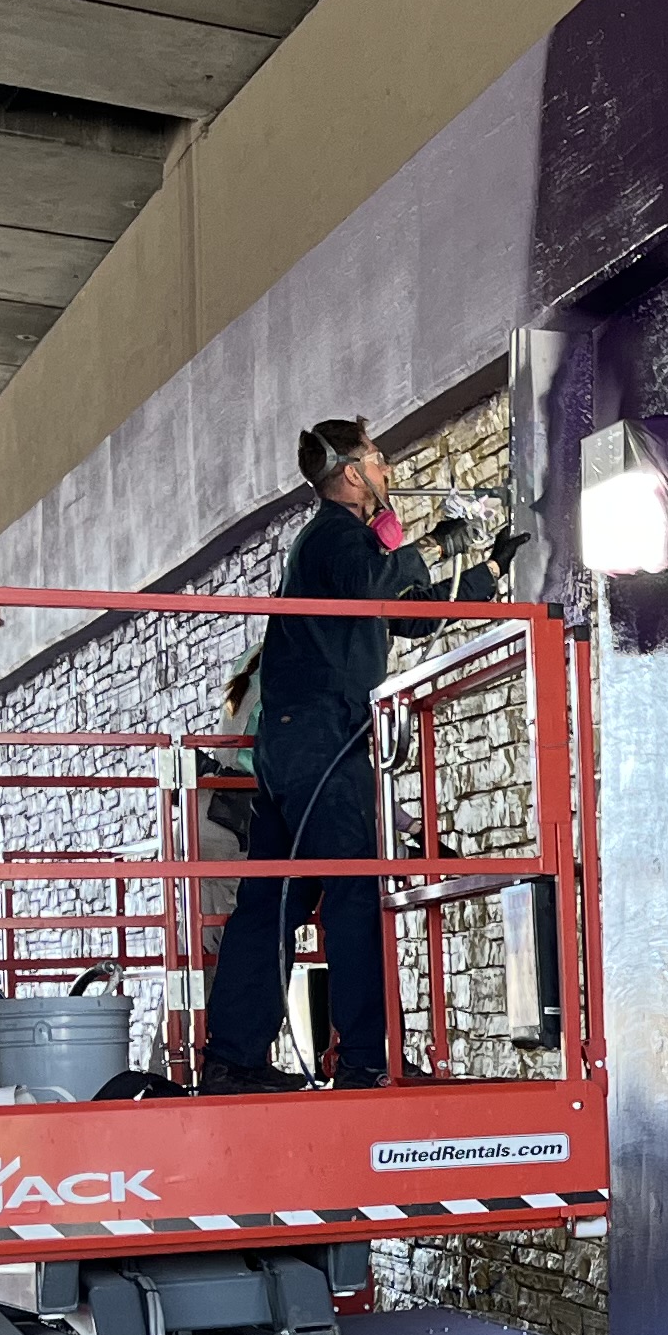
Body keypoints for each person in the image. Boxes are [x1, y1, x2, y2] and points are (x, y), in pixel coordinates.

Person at [198, 422, 465, 1092]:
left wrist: (481, 574)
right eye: (378, 460)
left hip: (295, 744)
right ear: (351, 472)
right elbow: (377, 587)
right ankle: (363, 1064)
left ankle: (234, 1058)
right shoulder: (336, 537)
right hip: (325, 739)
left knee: (274, 899)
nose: (386, 470)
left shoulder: (332, 548)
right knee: (351, 892)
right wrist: (431, 542)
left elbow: (401, 615)